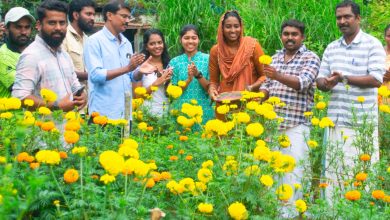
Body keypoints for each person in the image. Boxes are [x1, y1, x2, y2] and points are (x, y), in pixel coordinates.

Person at [316, 0, 385, 200]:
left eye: (347, 17)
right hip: (335, 122)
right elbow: (321, 78)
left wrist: (343, 78)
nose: (342, 21)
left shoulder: (372, 44)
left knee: (361, 176)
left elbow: (376, 79)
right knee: (334, 174)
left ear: (358, 18)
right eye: (339, 17)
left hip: (361, 124)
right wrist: (325, 83)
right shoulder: (331, 47)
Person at [260, 19, 320, 215]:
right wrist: (254, 99)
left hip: (296, 123)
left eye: (294, 34)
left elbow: (302, 83)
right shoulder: (275, 57)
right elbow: (267, 86)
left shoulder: (310, 58)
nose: (290, 38)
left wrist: (277, 75)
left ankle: (292, 214)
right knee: (272, 171)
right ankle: (272, 211)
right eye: (286, 34)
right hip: (272, 123)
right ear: (281, 36)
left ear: (302, 37)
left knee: (293, 172)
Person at [84, 0, 154, 120]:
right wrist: (127, 68)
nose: (127, 21)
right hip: (103, 114)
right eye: (124, 16)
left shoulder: (126, 43)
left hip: (125, 113)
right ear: (109, 15)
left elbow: (131, 76)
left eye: (128, 17)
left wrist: (139, 71)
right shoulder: (94, 41)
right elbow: (95, 75)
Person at [12, 0, 87, 112]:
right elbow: (20, 97)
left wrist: (82, 95)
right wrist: (56, 106)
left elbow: (75, 86)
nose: (58, 27)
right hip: (41, 128)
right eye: (52, 23)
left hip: (68, 126)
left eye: (62, 23)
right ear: (39, 25)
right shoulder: (31, 56)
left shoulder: (64, 55)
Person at [208, 10, 266, 100]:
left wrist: (252, 87)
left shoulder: (252, 46)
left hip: (249, 101)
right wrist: (212, 90)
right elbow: (214, 81)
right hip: (225, 102)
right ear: (221, 28)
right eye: (228, 27)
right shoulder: (216, 50)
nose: (233, 30)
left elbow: (265, 76)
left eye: (236, 26)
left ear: (241, 27)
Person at [169, 24, 214, 123]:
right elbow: (173, 94)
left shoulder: (208, 59)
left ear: (198, 40)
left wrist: (198, 74)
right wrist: (188, 80)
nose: (190, 41)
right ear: (180, 40)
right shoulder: (174, 62)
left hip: (203, 111)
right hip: (181, 111)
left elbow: (211, 88)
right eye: (186, 38)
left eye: (194, 38)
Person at [62, 0, 96, 115]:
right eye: (88, 14)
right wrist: (93, 75)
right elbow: (61, 70)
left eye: (93, 14)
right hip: (70, 105)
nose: (93, 18)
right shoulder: (63, 37)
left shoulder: (89, 40)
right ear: (76, 15)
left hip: (90, 106)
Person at [133, 29, 172, 117]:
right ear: (146, 46)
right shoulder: (141, 67)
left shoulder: (170, 64)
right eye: (152, 44)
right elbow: (137, 97)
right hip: (147, 115)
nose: (157, 46)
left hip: (167, 115)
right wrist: (156, 83)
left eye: (159, 42)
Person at [0, 7, 35, 98]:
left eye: (27, 27)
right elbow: (22, 88)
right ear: (7, 29)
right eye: (18, 27)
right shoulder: (2, 55)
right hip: (12, 111)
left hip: (37, 110)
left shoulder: (35, 51)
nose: (23, 32)